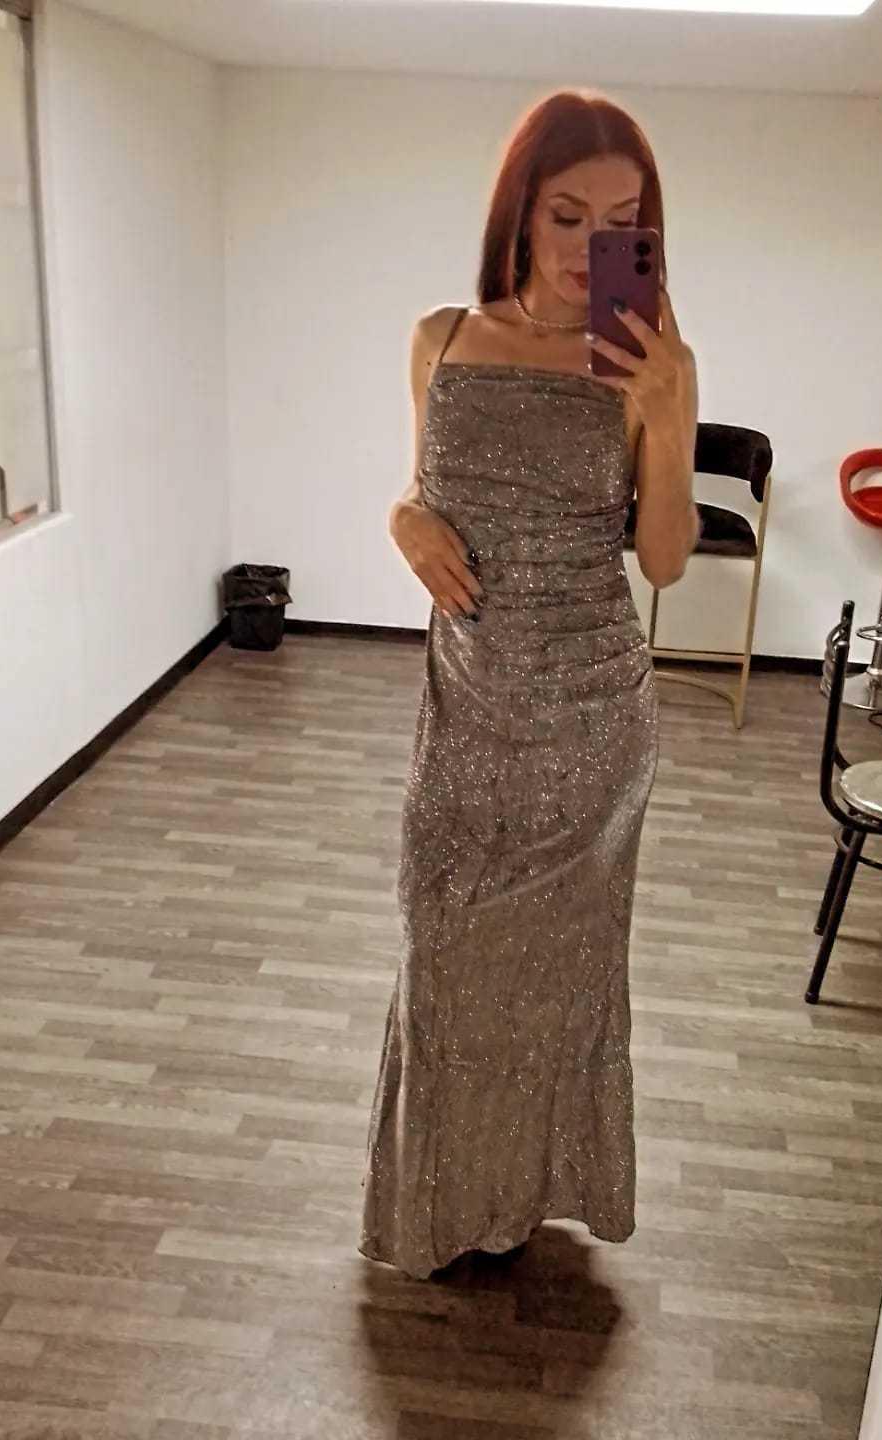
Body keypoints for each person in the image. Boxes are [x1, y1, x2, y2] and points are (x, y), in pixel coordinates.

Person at [359, 91, 699, 1279]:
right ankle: (442, 1205)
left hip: (592, 722)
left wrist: (668, 412)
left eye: (621, 222)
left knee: (557, 986)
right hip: (465, 711)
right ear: (518, 210)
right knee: (443, 965)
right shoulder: (442, 337)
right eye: (566, 215)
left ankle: (524, 1201)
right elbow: (422, 489)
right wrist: (402, 521)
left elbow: (664, 559)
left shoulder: (648, 364)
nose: (589, 247)